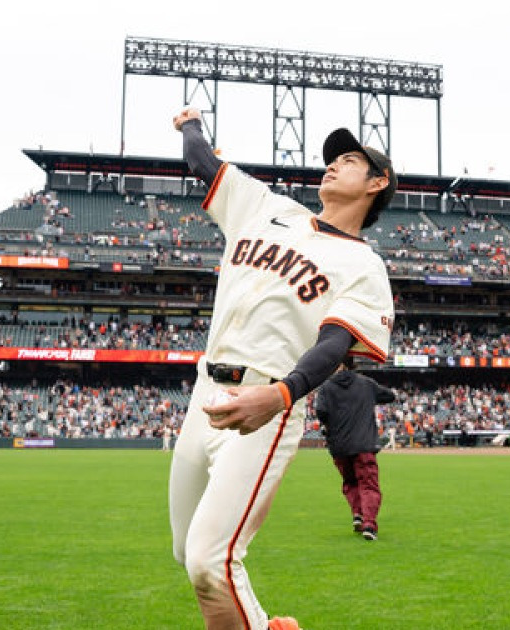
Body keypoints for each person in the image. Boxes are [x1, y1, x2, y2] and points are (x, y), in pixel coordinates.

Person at [168, 107, 397, 630]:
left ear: (377, 183)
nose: (332, 166)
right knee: (188, 552)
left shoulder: (364, 265)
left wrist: (280, 395)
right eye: (332, 159)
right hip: (205, 395)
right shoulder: (266, 207)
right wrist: (189, 125)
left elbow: (334, 343)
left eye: (349, 160)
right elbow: (204, 163)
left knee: (212, 561)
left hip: (265, 407)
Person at [313, 358, 395, 541]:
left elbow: (321, 412)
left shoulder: (326, 388)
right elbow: (389, 395)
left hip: (339, 446)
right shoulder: (366, 383)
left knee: (350, 483)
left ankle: (358, 514)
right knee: (368, 484)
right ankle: (369, 524)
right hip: (364, 445)